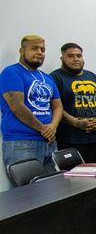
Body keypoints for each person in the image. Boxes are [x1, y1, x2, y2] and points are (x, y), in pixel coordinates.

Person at [0, 35, 63, 174]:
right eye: (34, 48)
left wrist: (52, 127)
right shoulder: (11, 72)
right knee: (26, 194)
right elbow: (17, 106)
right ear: (22, 51)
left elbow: (58, 106)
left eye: (42, 49)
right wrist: (43, 129)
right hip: (22, 143)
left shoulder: (47, 77)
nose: (40, 52)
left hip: (49, 142)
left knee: (54, 192)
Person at [50, 42, 96, 163]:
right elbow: (55, 107)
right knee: (73, 179)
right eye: (70, 56)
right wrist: (76, 122)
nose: (76, 59)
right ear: (62, 58)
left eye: (78, 55)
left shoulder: (93, 77)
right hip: (70, 138)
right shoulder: (55, 78)